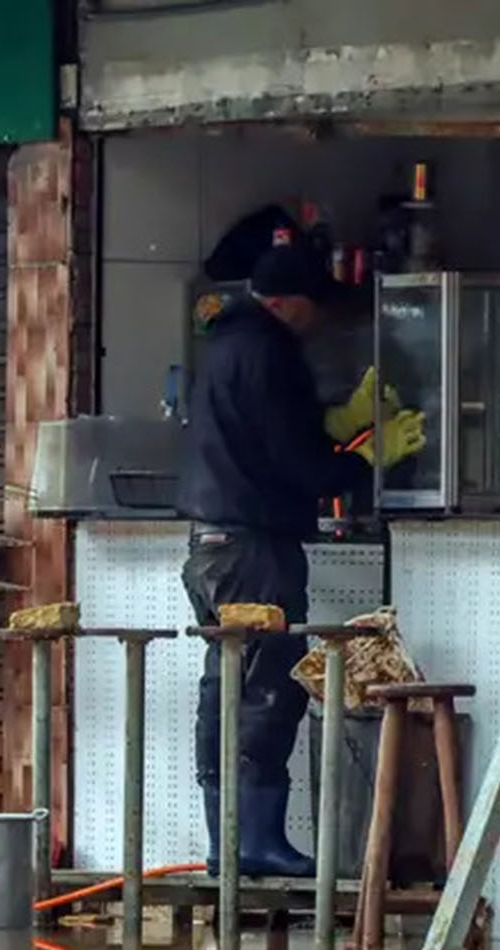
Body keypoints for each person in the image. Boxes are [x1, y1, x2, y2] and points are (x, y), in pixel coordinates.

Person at [176, 237, 426, 875]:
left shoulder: (228, 343)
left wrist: (340, 424)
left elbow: (270, 434)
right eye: (315, 307)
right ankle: (252, 844)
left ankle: (228, 844)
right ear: (287, 304)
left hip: (213, 546)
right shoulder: (268, 348)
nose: (320, 322)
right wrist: (360, 458)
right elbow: (292, 460)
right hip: (253, 548)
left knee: (228, 686)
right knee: (265, 689)